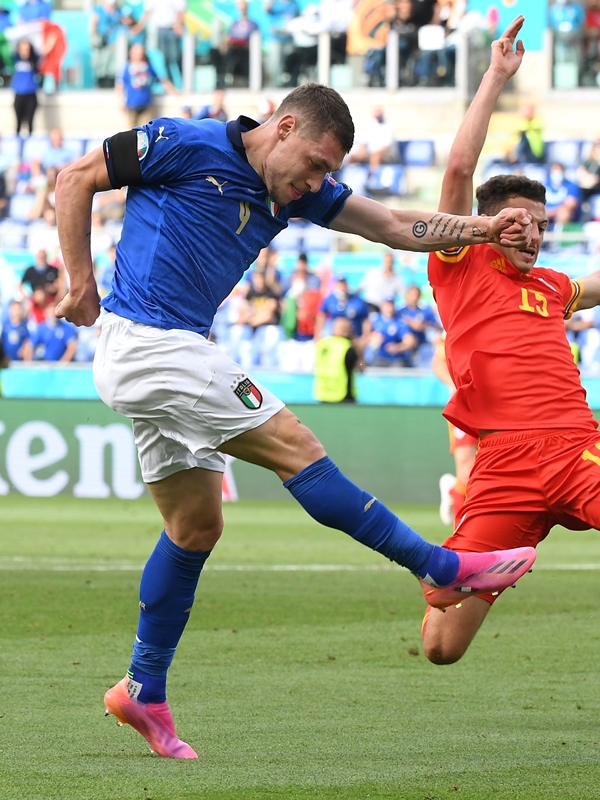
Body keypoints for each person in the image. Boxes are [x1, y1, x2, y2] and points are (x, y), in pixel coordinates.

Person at [54, 82, 536, 759]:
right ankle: (435, 567)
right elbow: (74, 178)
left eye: (326, 172)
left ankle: (143, 688)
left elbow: (393, 226)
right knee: (296, 445)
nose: (316, 182)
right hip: (150, 344)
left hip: (170, 352)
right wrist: (80, 281)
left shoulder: (295, 193)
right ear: (282, 128)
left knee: (195, 527)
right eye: (314, 163)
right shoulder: (182, 142)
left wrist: (483, 229)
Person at [421, 16, 600, 666]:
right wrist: (496, 74)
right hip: (502, 467)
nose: (534, 235)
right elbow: (459, 167)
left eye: (542, 225)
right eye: (520, 222)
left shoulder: (552, 286)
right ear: (488, 223)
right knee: (441, 645)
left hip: (576, 448)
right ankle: (488, 562)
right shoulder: (459, 263)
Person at [431, 334, 477, 526]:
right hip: (465, 403)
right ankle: (461, 537)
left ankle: (454, 489)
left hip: (500, 404)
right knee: (467, 470)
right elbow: (438, 361)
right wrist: (453, 385)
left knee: (484, 473)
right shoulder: (458, 322)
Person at [116, 43, 177, 128]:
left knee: (147, 129)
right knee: (131, 130)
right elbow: (120, 85)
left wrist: (174, 92)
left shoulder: (147, 67)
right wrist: (121, 101)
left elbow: (161, 79)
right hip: (132, 104)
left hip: (146, 104)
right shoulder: (127, 67)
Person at [313, 316, 362, 402]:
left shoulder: (322, 344)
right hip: (343, 396)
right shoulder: (348, 347)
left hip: (324, 394)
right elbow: (361, 367)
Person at [11, 38, 39, 137]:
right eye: (22, 49)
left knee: (30, 121)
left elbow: (45, 52)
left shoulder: (34, 60)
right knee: (18, 121)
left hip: (31, 94)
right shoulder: (15, 59)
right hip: (19, 94)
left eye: (27, 49)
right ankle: (17, 141)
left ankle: (30, 140)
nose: (25, 51)